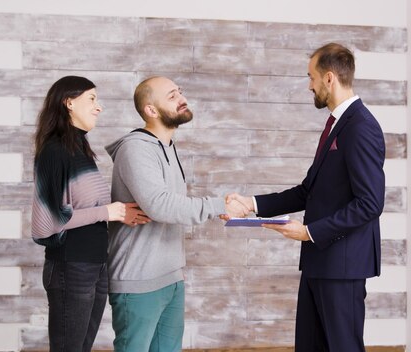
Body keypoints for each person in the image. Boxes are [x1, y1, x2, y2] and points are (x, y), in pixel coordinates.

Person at [227, 43, 386, 352]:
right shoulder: (337, 124)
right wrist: (252, 203)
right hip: (319, 261)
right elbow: (308, 191)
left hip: (342, 265)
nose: (309, 85)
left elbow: (370, 203)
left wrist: (310, 232)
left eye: (311, 77)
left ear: (329, 78)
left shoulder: (361, 127)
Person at [105, 76, 248, 352]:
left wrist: (219, 209)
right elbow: (159, 205)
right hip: (138, 280)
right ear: (151, 110)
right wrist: (217, 205)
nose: (182, 98)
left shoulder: (167, 146)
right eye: (171, 96)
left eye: (180, 92)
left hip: (170, 277)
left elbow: (173, 205)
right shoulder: (136, 148)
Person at [31, 75, 148, 352]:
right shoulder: (54, 151)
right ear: (69, 102)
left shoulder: (80, 149)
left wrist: (119, 213)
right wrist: (108, 211)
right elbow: (45, 223)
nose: (99, 107)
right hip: (71, 267)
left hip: (94, 264)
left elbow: (92, 210)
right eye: (92, 99)